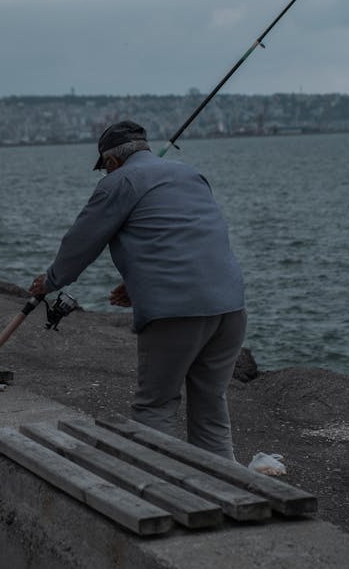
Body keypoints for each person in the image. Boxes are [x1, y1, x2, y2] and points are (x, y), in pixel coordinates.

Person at [29, 120, 246, 460]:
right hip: (230, 307)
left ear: (111, 162)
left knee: (155, 407)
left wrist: (51, 280)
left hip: (176, 310)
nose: (104, 175)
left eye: (103, 168)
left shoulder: (118, 182)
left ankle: (161, 495)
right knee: (210, 409)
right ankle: (230, 493)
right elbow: (185, 239)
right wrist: (137, 281)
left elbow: (81, 242)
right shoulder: (189, 174)